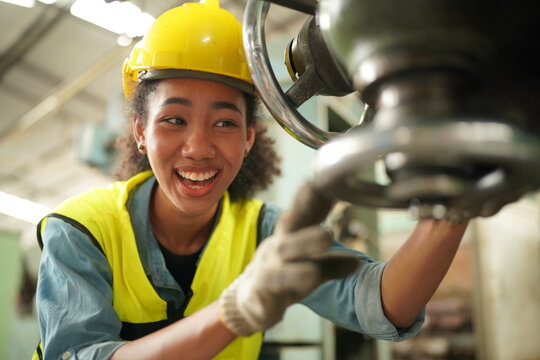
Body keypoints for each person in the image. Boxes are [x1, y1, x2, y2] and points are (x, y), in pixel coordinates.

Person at [33, 1, 468, 359]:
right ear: (140, 133)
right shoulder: (81, 230)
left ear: (247, 139)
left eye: (224, 123)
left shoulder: (267, 233)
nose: (199, 147)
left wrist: (454, 205)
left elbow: (382, 303)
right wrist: (235, 311)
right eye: (174, 120)